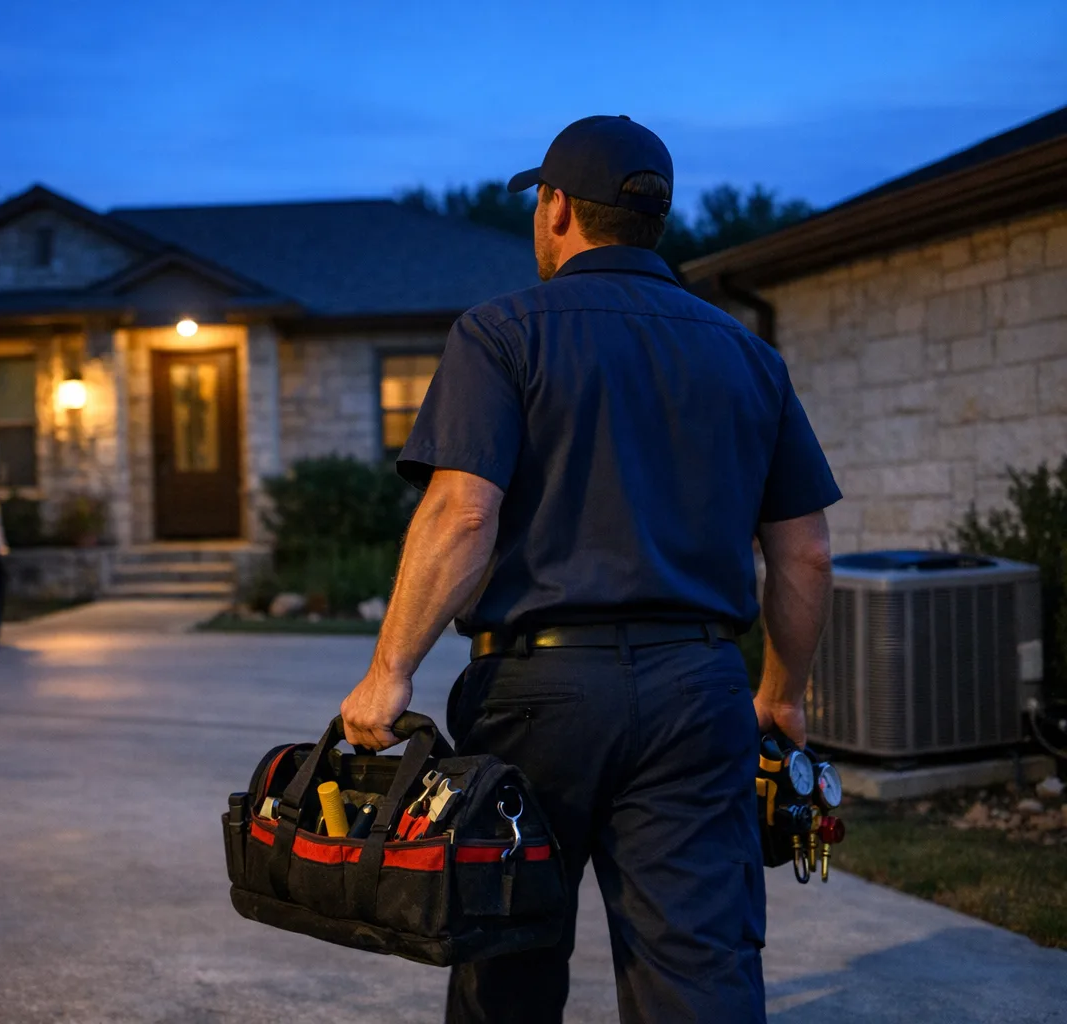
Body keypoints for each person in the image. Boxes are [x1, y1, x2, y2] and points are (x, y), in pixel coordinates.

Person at [339, 115, 840, 1023]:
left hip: (535, 695)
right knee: (700, 970)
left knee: (506, 956)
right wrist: (783, 692)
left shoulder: (501, 334)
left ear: (558, 207)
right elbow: (803, 550)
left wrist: (389, 672)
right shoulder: (748, 356)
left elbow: (462, 512)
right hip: (698, 693)